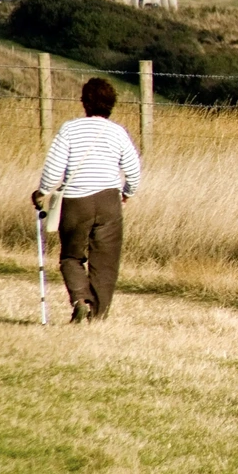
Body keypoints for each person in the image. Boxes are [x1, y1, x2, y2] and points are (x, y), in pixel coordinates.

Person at [32, 78, 141, 323]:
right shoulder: (118, 132)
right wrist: (126, 193)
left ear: (84, 103)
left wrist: (42, 192)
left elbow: (53, 169)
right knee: (105, 262)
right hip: (108, 201)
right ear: (111, 104)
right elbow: (133, 170)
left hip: (75, 201)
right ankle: (97, 316)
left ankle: (81, 299)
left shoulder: (70, 129)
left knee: (71, 256)